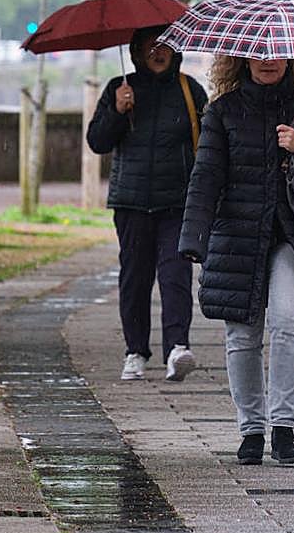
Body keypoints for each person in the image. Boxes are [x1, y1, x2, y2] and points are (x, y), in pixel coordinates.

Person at [179, 55, 294, 466]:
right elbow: (205, 178)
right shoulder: (223, 112)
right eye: (257, 54)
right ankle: (251, 429)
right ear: (241, 59)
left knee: (289, 321)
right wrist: (194, 239)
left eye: (275, 53)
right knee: (242, 334)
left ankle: (284, 426)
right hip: (238, 234)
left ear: (290, 58)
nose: (267, 61)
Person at [86, 25, 208, 381]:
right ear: (136, 51)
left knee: (175, 276)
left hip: (177, 202)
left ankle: (177, 349)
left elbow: (209, 142)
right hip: (131, 202)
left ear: (176, 50)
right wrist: (118, 111)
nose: (158, 51)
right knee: (135, 279)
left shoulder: (190, 91)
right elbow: (97, 142)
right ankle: (135, 351)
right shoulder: (119, 88)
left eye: (165, 45)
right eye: (150, 46)